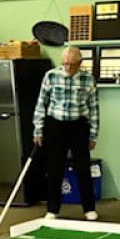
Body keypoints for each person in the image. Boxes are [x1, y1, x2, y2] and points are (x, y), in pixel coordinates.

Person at [33, 46, 99, 221]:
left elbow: (94, 109)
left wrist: (93, 135)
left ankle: (89, 209)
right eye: (65, 64)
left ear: (80, 63)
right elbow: (41, 104)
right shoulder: (51, 76)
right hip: (56, 125)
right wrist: (38, 129)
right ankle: (52, 209)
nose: (68, 68)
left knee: (83, 168)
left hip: (79, 125)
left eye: (72, 64)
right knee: (54, 168)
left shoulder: (88, 79)